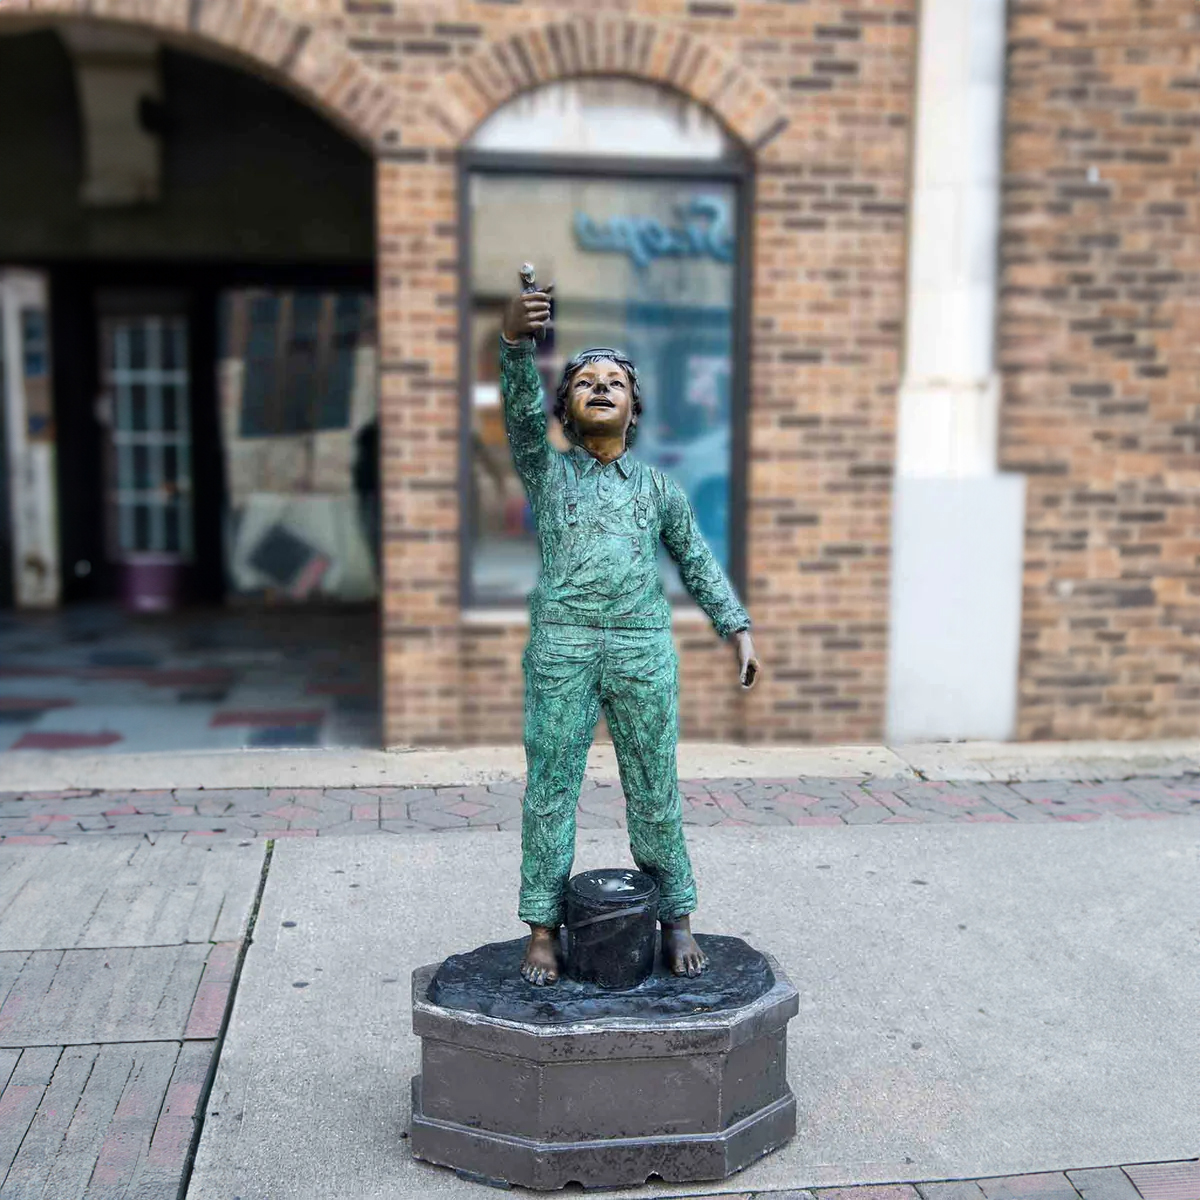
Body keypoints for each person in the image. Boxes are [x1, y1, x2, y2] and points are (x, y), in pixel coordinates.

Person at [500, 275, 760, 986]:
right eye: (585, 381)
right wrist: (514, 341)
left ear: (634, 408)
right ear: (567, 407)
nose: (601, 388)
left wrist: (735, 624)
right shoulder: (548, 476)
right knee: (552, 785)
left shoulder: (658, 490)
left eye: (615, 381)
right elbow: (520, 413)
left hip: (644, 648)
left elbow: (697, 560)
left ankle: (676, 915)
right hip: (564, 645)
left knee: (654, 784)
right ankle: (542, 927)